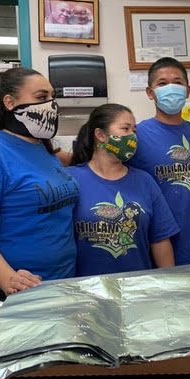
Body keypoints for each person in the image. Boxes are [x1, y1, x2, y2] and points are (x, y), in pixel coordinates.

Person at [0, 67, 79, 323]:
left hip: (64, 285)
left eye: (52, 97)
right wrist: (9, 279)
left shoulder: (44, 150)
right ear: (9, 102)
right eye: (40, 96)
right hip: (17, 294)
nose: (50, 105)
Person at [68, 103, 177, 276]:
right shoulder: (71, 179)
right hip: (86, 288)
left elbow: (160, 239)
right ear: (100, 135)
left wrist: (170, 281)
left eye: (134, 130)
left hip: (137, 286)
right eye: (125, 129)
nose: (132, 137)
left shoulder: (144, 181)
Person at [127, 57, 190, 265]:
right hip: (155, 251)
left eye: (178, 82)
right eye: (162, 84)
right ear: (150, 92)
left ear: (188, 90)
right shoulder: (137, 135)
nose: (171, 88)